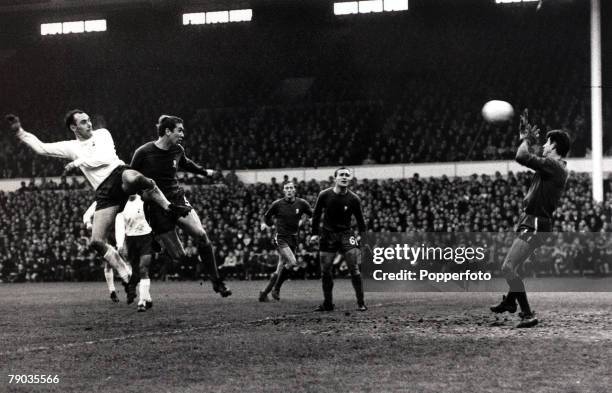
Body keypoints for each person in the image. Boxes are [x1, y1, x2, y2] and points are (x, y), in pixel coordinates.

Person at [7, 111, 191, 302]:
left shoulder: (103, 134)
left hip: (118, 175)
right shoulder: (71, 147)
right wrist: (20, 132)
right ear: (73, 127)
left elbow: (104, 157)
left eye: (89, 120)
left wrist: (78, 162)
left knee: (135, 177)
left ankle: (169, 207)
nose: (89, 124)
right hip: (104, 192)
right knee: (96, 241)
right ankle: (125, 273)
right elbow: (42, 148)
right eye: (83, 122)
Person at [130, 115, 231, 297]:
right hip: (156, 207)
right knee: (179, 256)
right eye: (180, 130)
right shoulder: (143, 152)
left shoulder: (177, 149)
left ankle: (217, 281)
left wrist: (204, 172)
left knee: (201, 235)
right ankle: (155, 236)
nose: (183, 134)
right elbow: (130, 178)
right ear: (167, 131)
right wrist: (141, 194)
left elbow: (185, 163)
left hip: (177, 200)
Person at [490, 109, 570, 328]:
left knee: (507, 267)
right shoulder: (554, 168)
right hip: (535, 222)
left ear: (554, 146)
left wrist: (525, 139)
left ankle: (527, 314)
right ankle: (509, 302)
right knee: (516, 268)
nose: (543, 145)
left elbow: (521, 156)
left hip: (535, 223)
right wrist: (529, 141)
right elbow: (531, 157)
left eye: (546, 142)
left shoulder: (553, 166)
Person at [310, 167, 367, 312]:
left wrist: (364, 238)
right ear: (335, 178)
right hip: (328, 234)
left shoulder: (354, 199)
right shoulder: (324, 195)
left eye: (347, 175)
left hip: (347, 234)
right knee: (326, 270)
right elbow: (316, 215)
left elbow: (361, 221)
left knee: (354, 268)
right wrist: (314, 233)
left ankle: (361, 302)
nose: (344, 177)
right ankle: (328, 304)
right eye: (341, 175)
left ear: (350, 179)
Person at [259, 181, 312, 302]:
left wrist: (304, 221)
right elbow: (266, 217)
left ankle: (264, 293)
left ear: (294, 190)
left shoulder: (302, 203)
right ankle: (276, 289)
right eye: (286, 188)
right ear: (284, 191)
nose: (289, 190)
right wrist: (266, 224)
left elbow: (311, 214)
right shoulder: (277, 204)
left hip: (293, 238)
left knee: (280, 267)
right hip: (280, 238)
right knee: (292, 262)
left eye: (291, 188)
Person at [115, 195, 156, 312]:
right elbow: (119, 225)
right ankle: (147, 298)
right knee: (136, 271)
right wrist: (120, 244)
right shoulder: (122, 204)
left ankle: (142, 302)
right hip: (131, 240)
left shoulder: (144, 199)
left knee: (143, 268)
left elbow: (153, 217)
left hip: (146, 238)